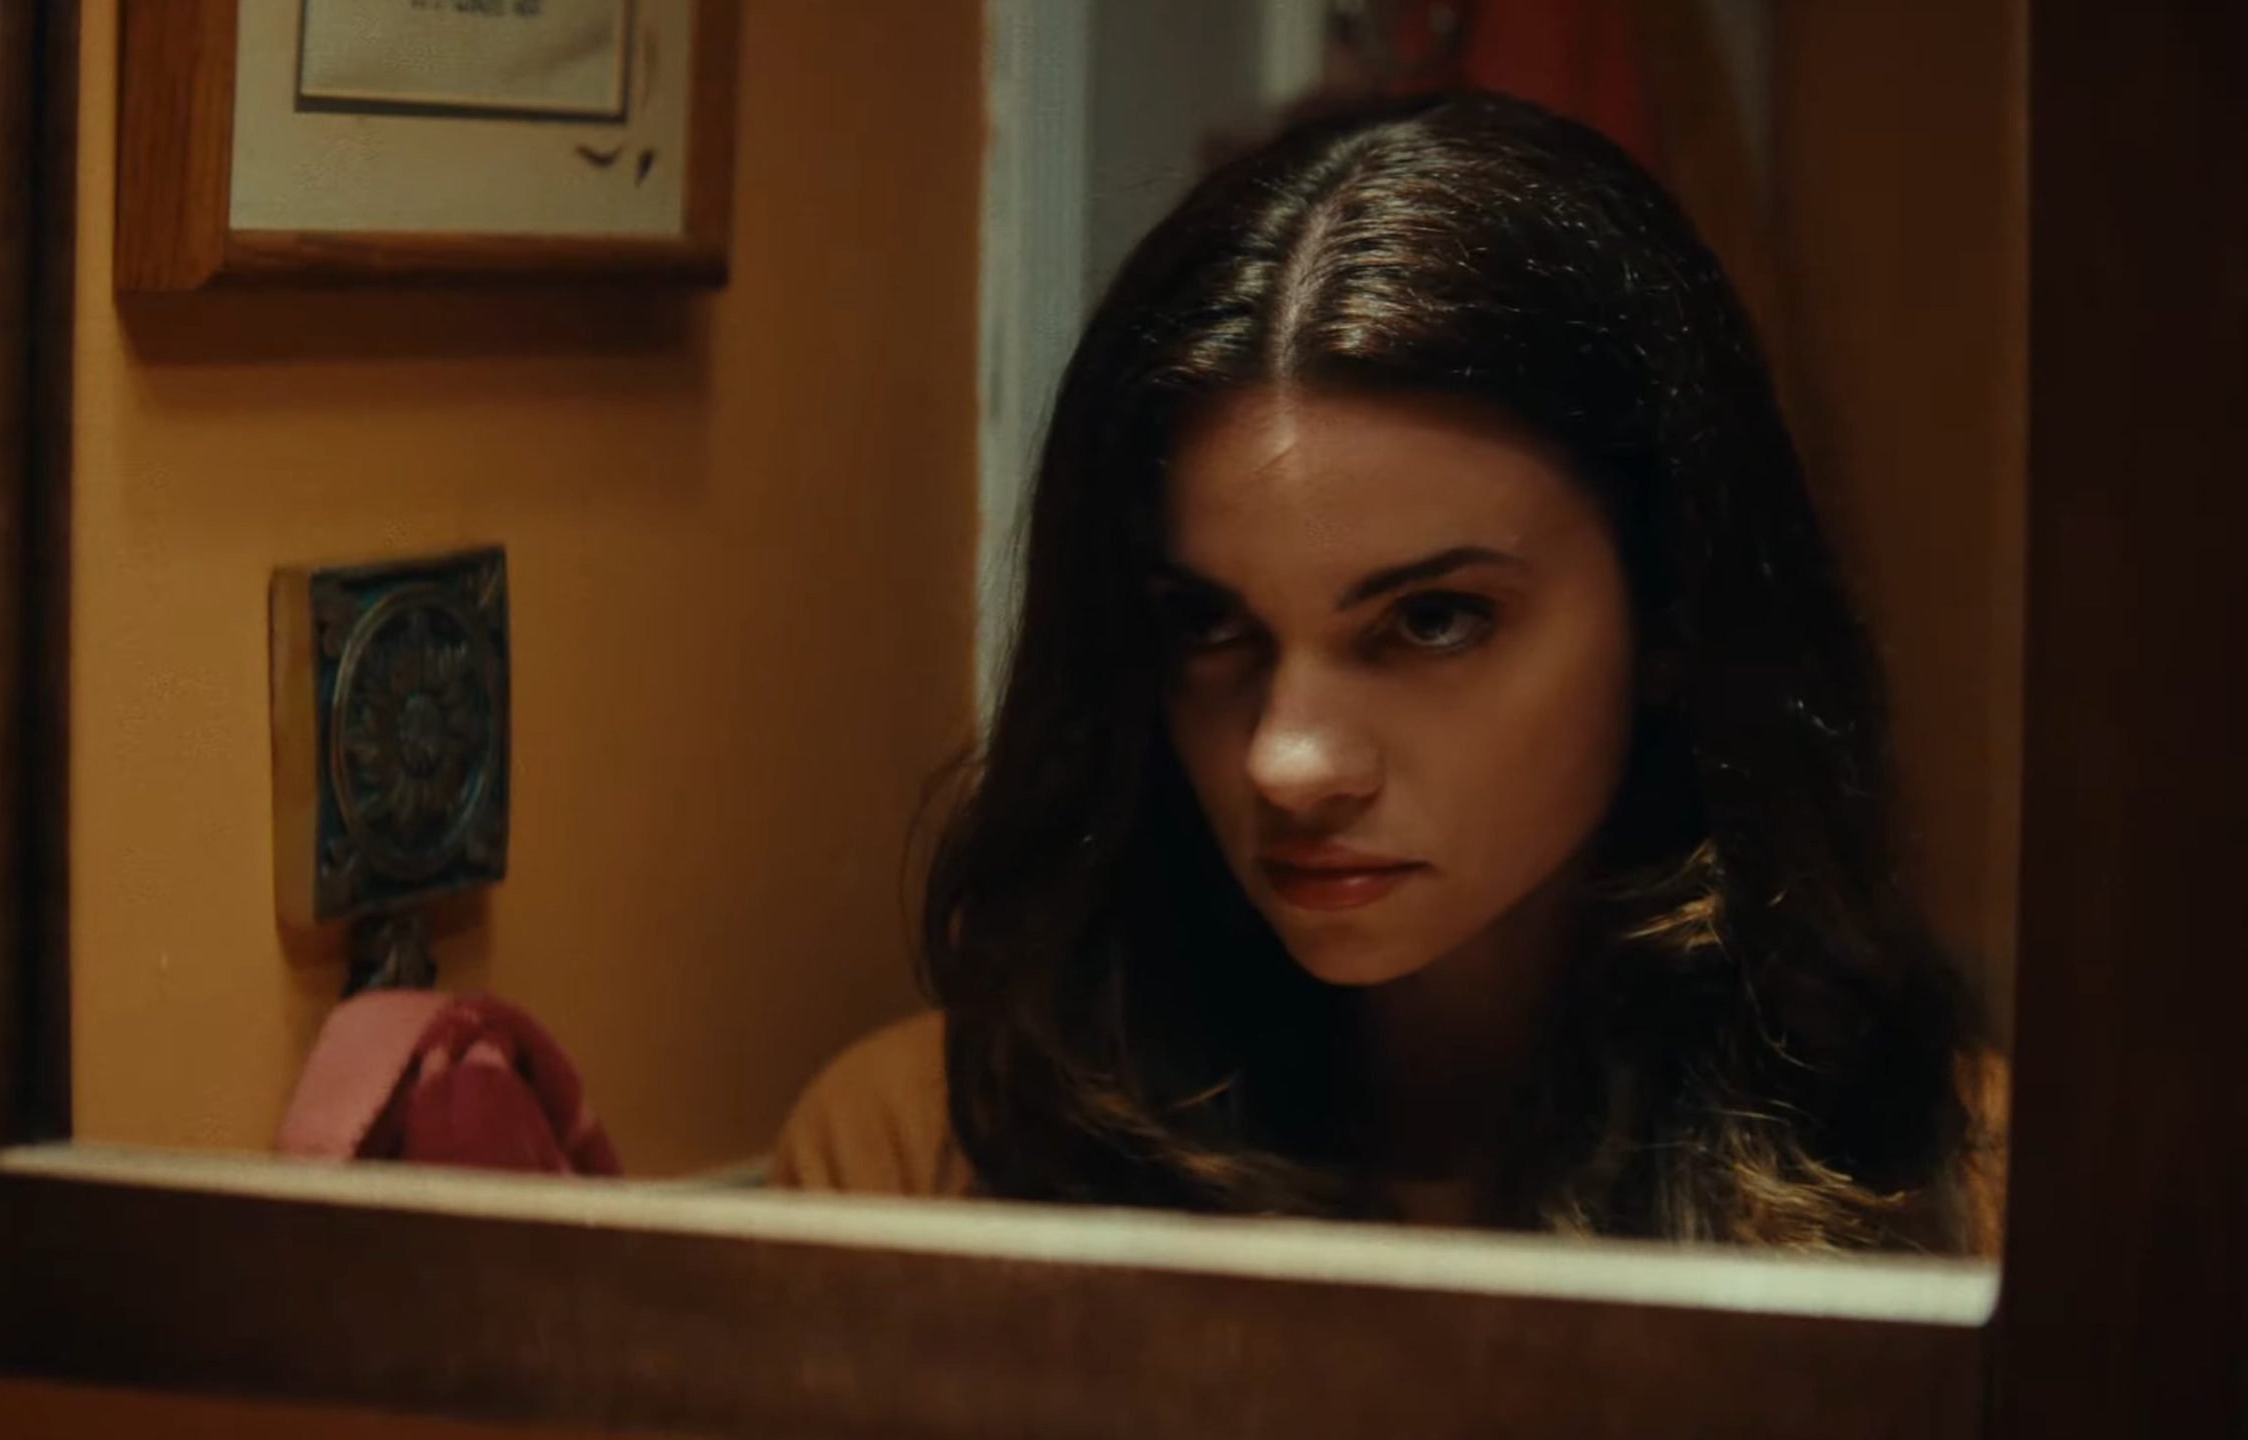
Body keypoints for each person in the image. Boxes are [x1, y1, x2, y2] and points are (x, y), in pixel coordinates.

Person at [771, 91, 2007, 1253]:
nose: (1288, 761)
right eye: (1207, 624)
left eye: (1432, 621)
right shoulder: (927, 1154)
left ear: (1673, 617)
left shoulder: (1968, 1191)